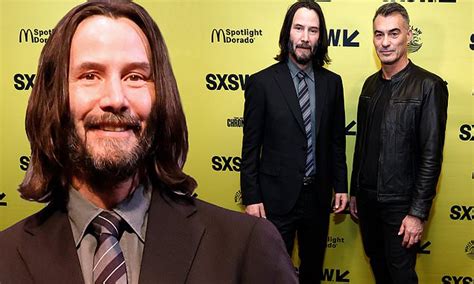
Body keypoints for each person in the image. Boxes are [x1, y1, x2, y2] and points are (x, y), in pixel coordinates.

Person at [0, 1, 298, 283]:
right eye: (90, 75)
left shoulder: (246, 247)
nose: (115, 99)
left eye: (135, 77)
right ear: (54, 98)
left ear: (161, 98)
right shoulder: (5, 257)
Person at [240, 1, 348, 282]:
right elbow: (250, 147)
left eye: (313, 30)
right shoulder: (261, 83)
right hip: (275, 199)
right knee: (272, 272)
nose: (304, 37)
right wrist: (252, 198)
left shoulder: (332, 83)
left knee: (312, 270)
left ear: (320, 37)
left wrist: (341, 185)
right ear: (288, 32)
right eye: (299, 28)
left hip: (318, 197)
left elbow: (337, 141)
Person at [349, 3, 448, 284]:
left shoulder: (429, 85)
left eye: (393, 33)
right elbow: (363, 144)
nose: (385, 42)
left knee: (401, 276)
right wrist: (356, 191)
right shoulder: (369, 85)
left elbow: (431, 155)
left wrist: (417, 213)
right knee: (379, 271)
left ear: (408, 36)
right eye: (379, 35)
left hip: (401, 206)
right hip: (368, 203)